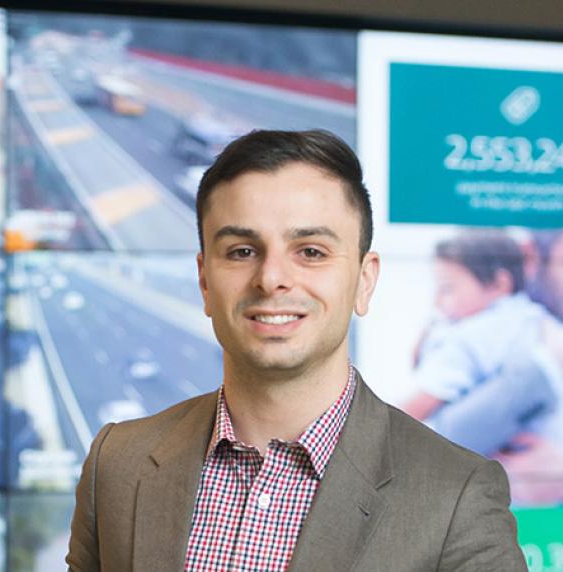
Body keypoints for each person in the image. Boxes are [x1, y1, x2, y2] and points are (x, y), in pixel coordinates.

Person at [67, 129, 525, 571]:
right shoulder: (117, 461)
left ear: (365, 281)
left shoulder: (457, 494)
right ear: (205, 282)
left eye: (311, 251)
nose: (271, 278)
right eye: (243, 251)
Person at [427, 230, 563, 505]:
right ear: (531, 257)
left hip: (557, 542)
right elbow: (434, 444)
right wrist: (547, 367)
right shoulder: (463, 334)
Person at [402, 231, 563, 460]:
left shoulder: (474, 335)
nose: (437, 301)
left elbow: (417, 406)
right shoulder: (537, 321)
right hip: (554, 469)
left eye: (447, 288)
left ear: (500, 284)